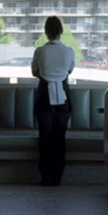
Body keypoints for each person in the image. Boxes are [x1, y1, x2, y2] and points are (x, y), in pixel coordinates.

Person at [31, 15, 75, 186]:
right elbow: (69, 71)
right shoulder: (69, 51)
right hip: (64, 95)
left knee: (45, 136)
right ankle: (58, 176)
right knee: (59, 137)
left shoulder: (40, 51)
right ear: (61, 31)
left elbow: (35, 72)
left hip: (44, 95)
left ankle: (45, 176)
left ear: (46, 31)